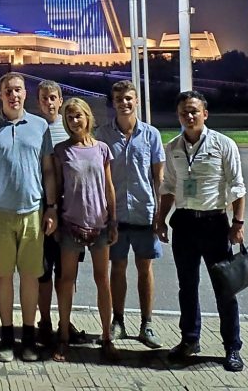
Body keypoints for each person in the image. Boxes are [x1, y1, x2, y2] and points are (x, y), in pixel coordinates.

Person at [155, 90, 247, 373]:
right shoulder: (172, 148)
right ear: (179, 116)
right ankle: (190, 340)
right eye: (184, 112)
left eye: (194, 111)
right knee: (187, 287)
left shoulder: (223, 144)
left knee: (225, 289)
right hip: (184, 223)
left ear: (205, 113)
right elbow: (169, 188)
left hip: (215, 224)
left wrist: (238, 224)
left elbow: (237, 186)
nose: (189, 116)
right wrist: (161, 220)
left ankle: (232, 347)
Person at [0, 72, 56, 362]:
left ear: (25, 93)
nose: (14, 95)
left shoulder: (39, 126)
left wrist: (51, 207)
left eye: (18, 90)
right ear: (0, 94)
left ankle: (29, 338)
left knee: (31, 277)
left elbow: (47, 170)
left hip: (32, 211)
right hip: (0, 213)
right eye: (8, 90)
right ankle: (7, 338)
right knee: (3, 276)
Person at [98, 80, 165, 348]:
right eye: (119, 99)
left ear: (136, 101)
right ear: (112, 104)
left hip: (143, 211)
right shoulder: (102, 135)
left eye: (128, 98)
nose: (124, 103)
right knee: (118, 267)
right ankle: (118, 321)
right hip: (114, 214)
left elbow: (158, 177)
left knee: (144, 267)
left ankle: (147, 323)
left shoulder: (151, 135)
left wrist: (160, 214)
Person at [51, 98, 118, 363]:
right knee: (67, 281)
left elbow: (109, 187)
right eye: (69, 118)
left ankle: (106, 337)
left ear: (87, 117)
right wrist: (54, 216)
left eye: (78, 116)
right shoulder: (61, 151)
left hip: (99, 224)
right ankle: (64, 335)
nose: (74, 122)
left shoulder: (102, 149)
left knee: (103, 280)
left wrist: (114, 220)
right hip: (71, 224)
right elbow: (57, 188)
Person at [36, 80, 91, 346]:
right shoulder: (34, 129)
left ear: (60, 101)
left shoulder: (70, 129)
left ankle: (64, 321)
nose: (49, 102)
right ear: (39, 102)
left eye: (53, 98)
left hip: (70, 212)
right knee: (44, 271)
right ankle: (44, 321)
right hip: (43, 210)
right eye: (44, 98)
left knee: (67, 273)